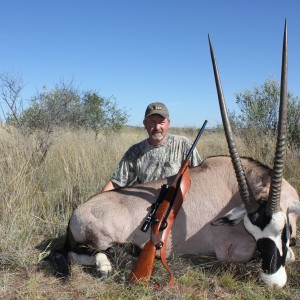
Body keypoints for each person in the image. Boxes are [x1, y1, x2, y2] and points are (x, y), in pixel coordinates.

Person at [102, 102, 202, 192]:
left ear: (168, 123)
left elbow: (200, 176)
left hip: (176, 202)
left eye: (161, 122)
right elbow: (116, 183)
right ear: (145, 124)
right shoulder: (135, 151)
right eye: (152, 122)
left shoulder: (184, 144)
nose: (157, 127)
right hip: (141, 204)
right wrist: (98, 201)